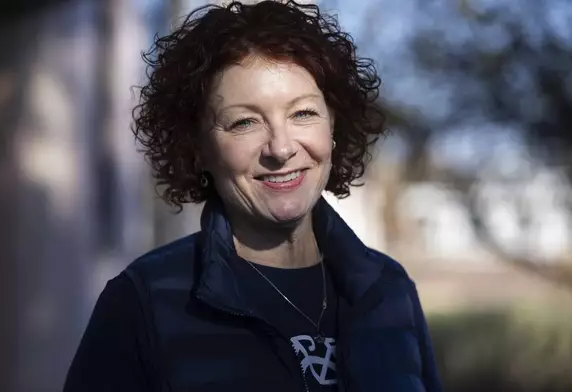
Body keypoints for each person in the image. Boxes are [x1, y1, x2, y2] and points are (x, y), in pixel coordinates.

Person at [63, 1, 442, 391]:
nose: (280, 148)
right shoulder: (145, 301)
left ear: (333, 126)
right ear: (198, 149)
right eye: (245, 122)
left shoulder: (388, 289)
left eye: (303, 114)